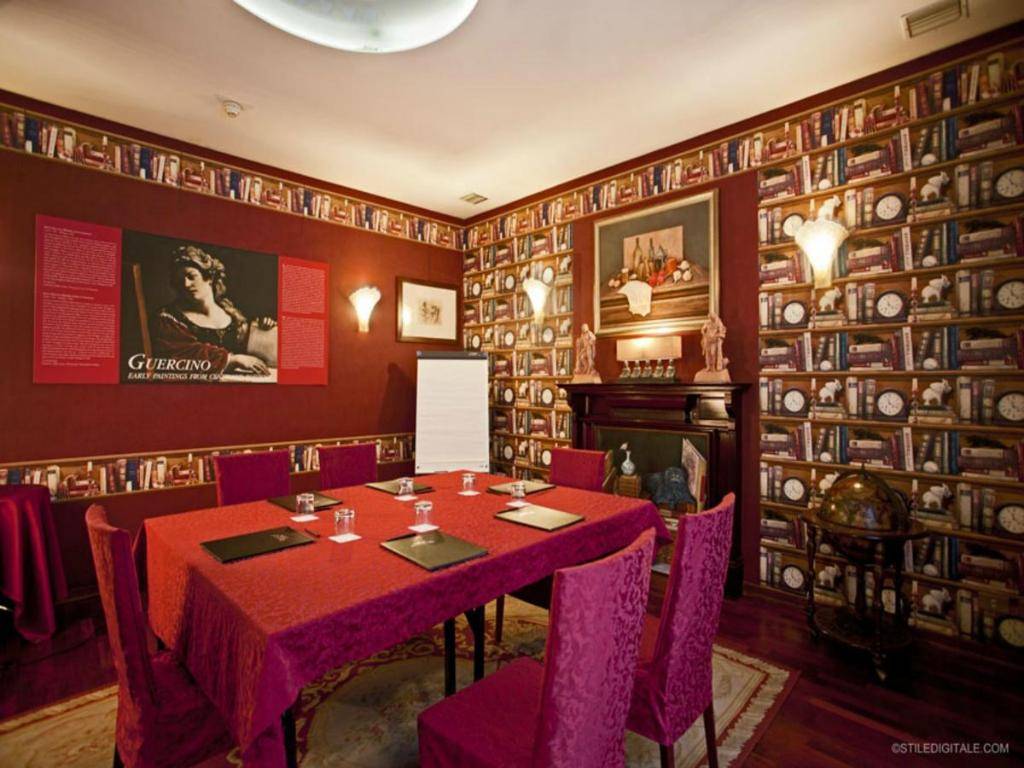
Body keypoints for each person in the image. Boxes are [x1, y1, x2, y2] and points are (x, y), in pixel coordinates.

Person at [151, 245, 275, 375]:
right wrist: (232, 360)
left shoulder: (230, 313)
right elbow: (180, 353)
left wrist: (264, 329)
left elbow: (253, 349)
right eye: (180, 281)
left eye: (191, 276)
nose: (186, 284)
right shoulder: (168, 318)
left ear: (209, 278)